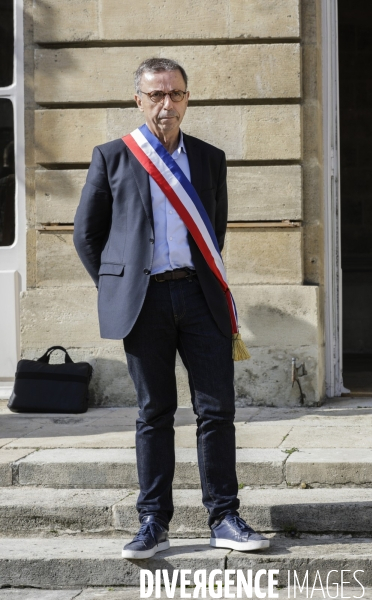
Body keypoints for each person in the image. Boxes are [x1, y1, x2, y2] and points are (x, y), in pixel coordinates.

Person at [74, 58, 269, 559]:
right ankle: (153, 522)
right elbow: (87, 235)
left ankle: (223, 516)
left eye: (176, 94)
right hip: (146, 303)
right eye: (156, 95)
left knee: (216, 410)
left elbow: (214, 232)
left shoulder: (209, 158)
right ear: (138, 99)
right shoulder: (114, 156)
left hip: (199, 298)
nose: (167, 104)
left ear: (187, 99)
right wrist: (119, 286)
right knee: (153, 412)